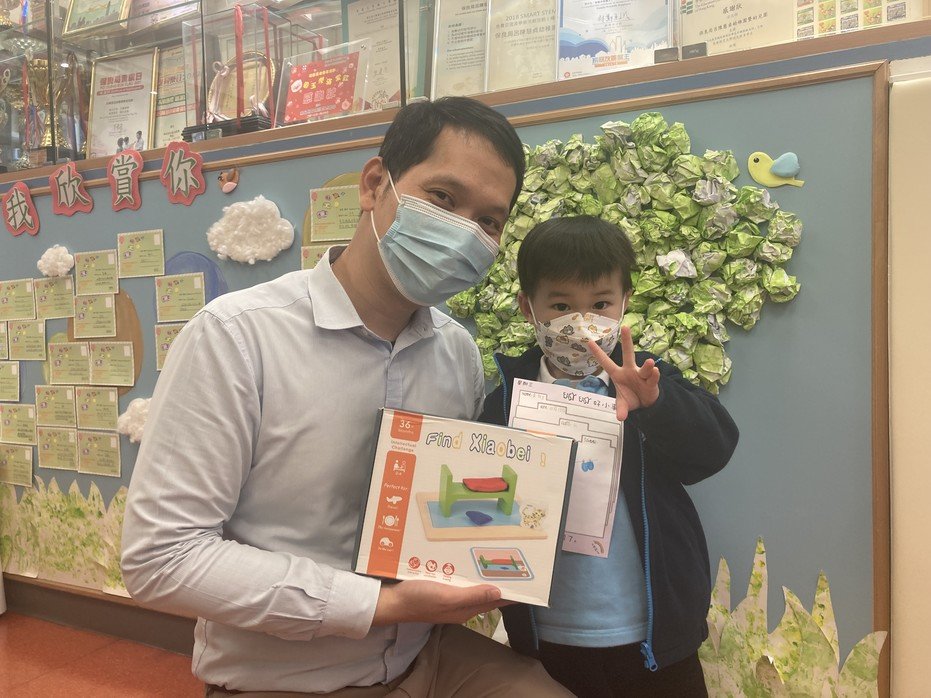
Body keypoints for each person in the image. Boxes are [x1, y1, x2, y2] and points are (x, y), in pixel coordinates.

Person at [121, 97, 572, 697]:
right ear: (374, 184)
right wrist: (380, 606)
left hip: (424, 656)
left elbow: (449, 513)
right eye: (443, 198)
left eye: (489, 222)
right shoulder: (237, 337)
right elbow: (161, 559)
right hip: (286, 677)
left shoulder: (457, 352)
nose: (464, 232)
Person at [478, 216, 739, 697]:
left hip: (655, 637)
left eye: (599, 304)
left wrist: (655, 405)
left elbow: (714, 449)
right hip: (547, 635)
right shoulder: (507, 399)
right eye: (561, 305)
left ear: (624, 303)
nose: (581, 324)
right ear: (527, 307)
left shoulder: (649, 383)